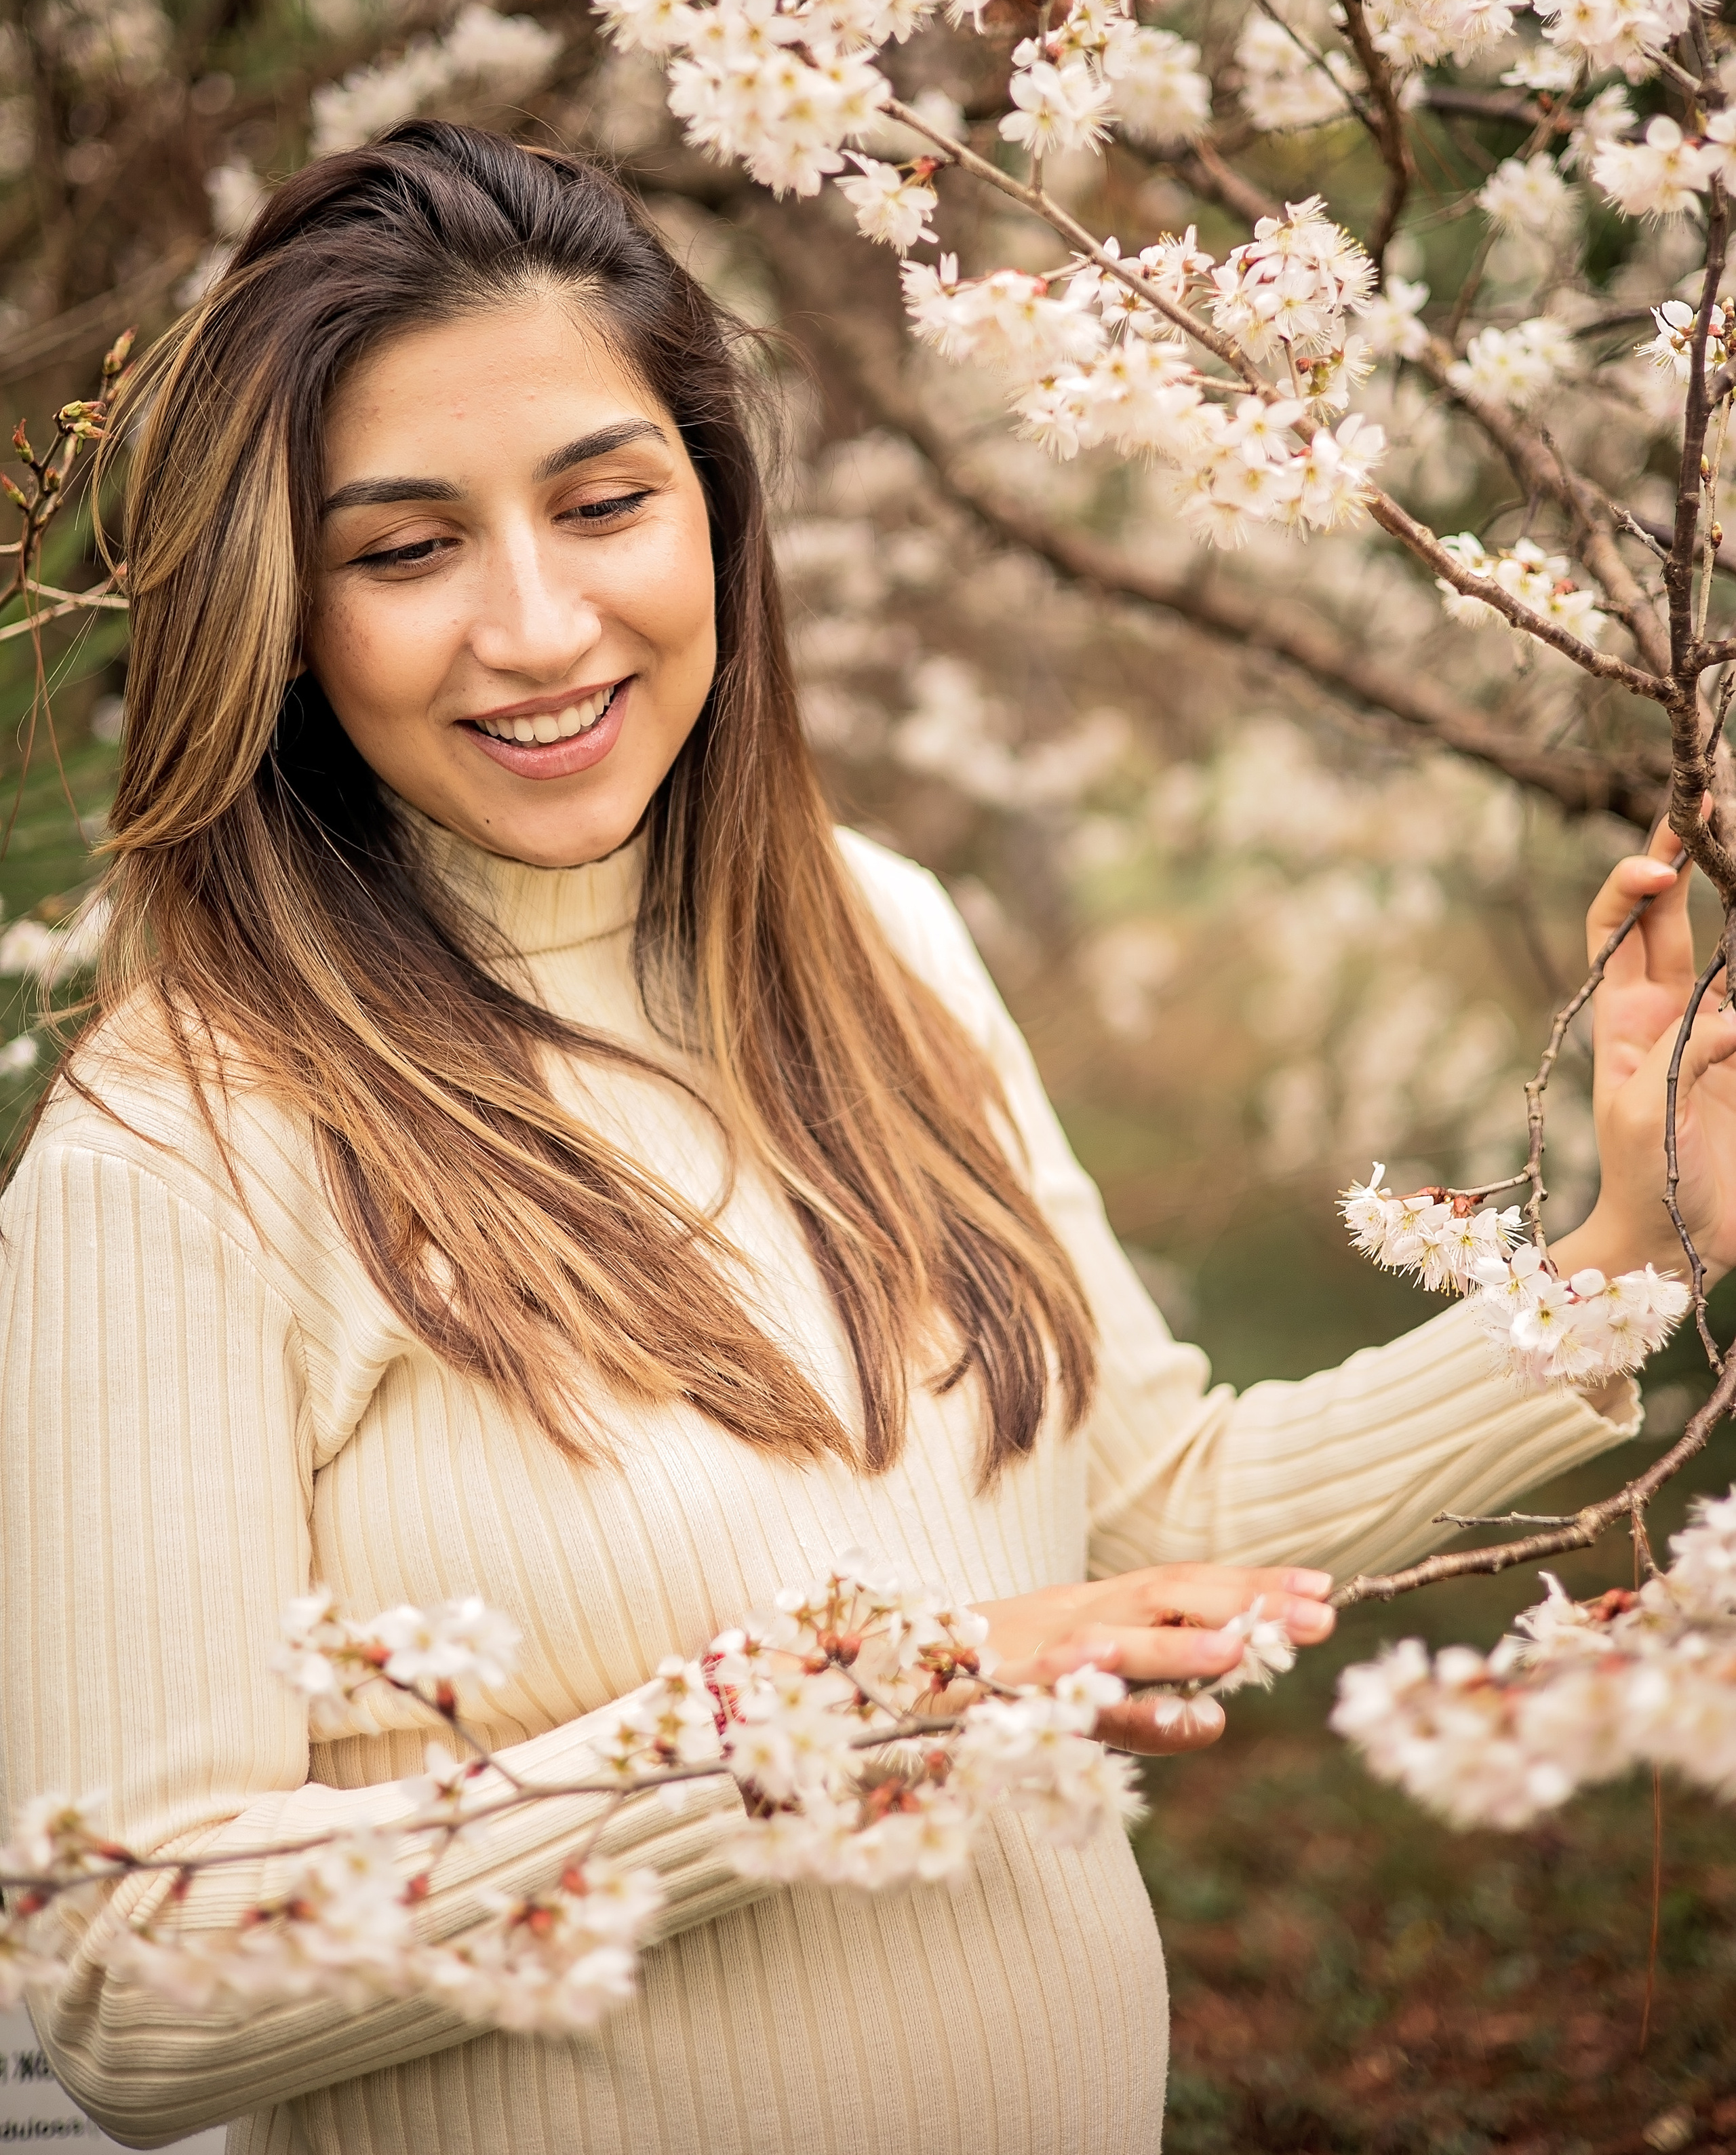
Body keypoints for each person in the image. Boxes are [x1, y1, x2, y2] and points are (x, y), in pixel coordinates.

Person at [0, 123, 1722, 2155]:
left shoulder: (872, 933)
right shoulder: (182, 1148)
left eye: (604, 503)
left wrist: (1639, 1248)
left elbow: (1136, 1513)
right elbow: (132, 1973)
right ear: (284, 616)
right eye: (405, 550)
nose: (541, 626)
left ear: (713, 517)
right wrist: (857, 1706)